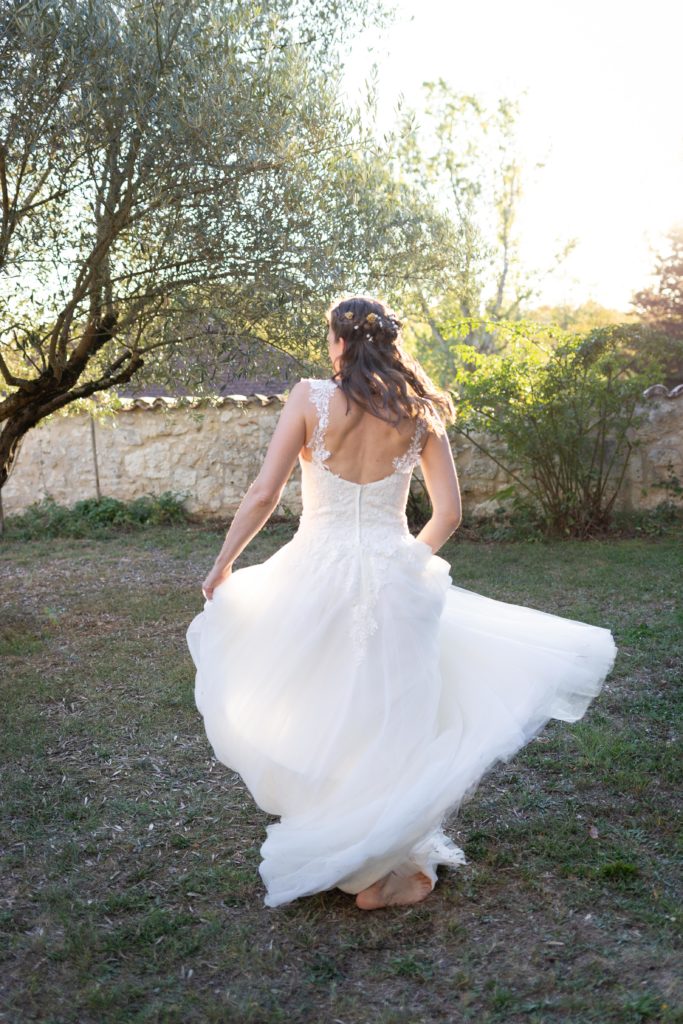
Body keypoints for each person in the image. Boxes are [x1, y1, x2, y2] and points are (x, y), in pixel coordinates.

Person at [186, 294, 617, 911]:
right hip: (394, 573)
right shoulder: (417, 411)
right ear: (387, 341)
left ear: (339, 340)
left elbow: (262, 494)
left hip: (316, 570)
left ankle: (354, 852)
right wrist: (408, 562)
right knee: (388, 714)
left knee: (326, 703)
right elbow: (450, 513)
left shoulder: (309, 398)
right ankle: (379, 861)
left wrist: (223, 564)